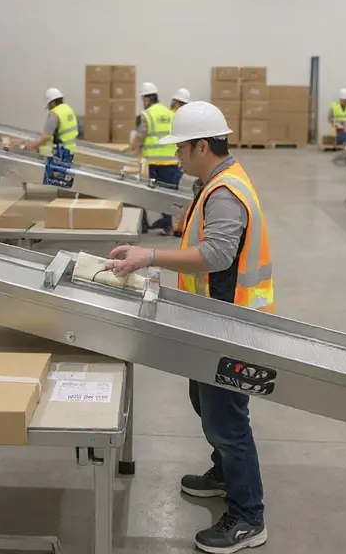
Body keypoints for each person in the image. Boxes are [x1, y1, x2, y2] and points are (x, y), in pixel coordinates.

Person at [107, 101, 272, 553]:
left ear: (202, 146)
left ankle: (248, 517)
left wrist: (150, 255)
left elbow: (218, 255)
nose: (176, 157)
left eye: (181, 149)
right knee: (204, 400)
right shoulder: (214, 183)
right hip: (210, 314)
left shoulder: (223, 192)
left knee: (227, 421)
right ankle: (224, 474)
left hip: (228, 320)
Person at [130, 82, 184, 233]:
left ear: (147, 99)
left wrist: (134, 150)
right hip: (172, 161)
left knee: (152, 194)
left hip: (154, 161)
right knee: (169, 194)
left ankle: (154, 223)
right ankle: (168, 223)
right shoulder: (170, 113)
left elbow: (141, 135)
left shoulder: (147, 114)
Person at [18, 87, 79, 155]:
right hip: (71, 150)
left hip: (60, 151)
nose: (48, 108)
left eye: (48, 104)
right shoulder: (68, 109)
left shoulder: (55, 113)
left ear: (52, 102)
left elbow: (46, 136)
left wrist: (33, 146)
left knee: (44, 148)